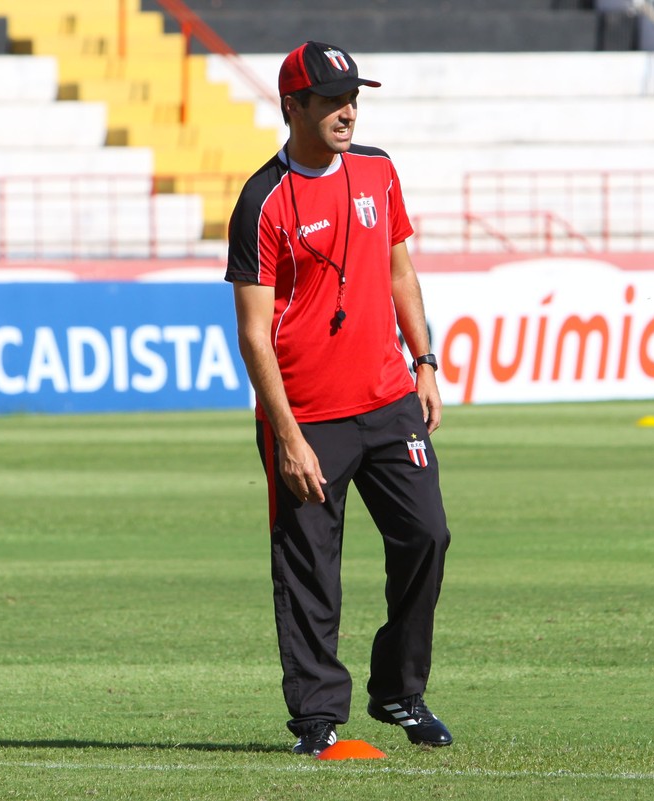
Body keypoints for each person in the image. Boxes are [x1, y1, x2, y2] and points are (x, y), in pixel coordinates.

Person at [225, 41, 454, 756]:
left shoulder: (378, 171)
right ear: (292, 106)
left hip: (389, 399)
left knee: (427, 534)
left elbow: (401, 270)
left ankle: (399, 693)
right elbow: (254, 335)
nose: (347, 109)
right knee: (310, 569)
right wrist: (286, 435)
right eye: (330, 98)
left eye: (352, 95)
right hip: (308, 417)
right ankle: (317, 719)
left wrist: (425, 360)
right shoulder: (261, 200)